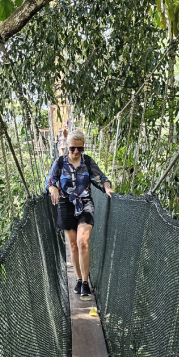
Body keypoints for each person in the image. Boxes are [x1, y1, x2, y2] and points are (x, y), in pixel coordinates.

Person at [45, 129, 113, 300]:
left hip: (85, 204)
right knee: (73, 245)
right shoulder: (59, 162)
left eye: (80, 148)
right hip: (65, 205)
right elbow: (50, 180)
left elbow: (102, 178)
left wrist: (106, 187)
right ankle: (78, 278)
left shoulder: (88, 162)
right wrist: (52, 187)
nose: (76, 152)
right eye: (72, 148)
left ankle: (84, 282)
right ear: (67, 147)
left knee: (83, 242)